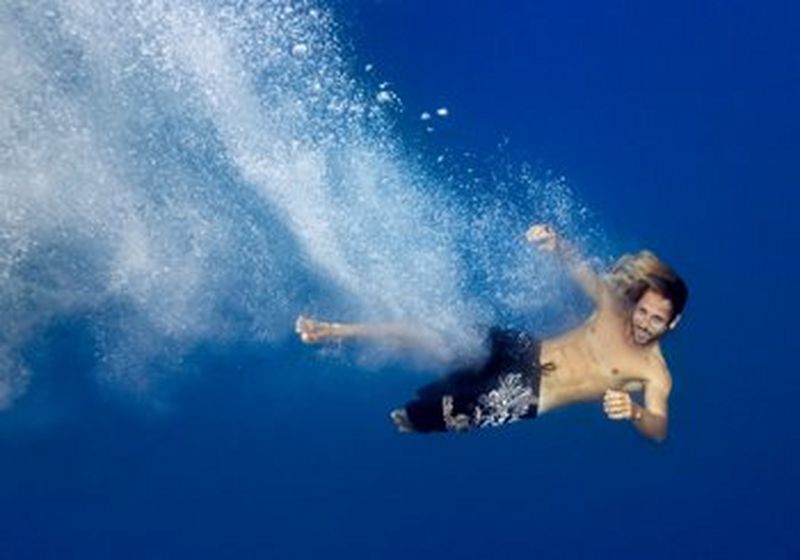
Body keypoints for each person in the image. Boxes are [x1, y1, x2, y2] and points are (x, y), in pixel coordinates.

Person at [295, 224, 688, 442]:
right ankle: (334, 330)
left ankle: (420, 413)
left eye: (656, 321)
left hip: (528, 397)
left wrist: (634, 411)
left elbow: (658, 427)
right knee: (437, 336)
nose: (643, 324)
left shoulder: (654, 372)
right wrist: (556, 244)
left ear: (672, 325)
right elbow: (580, 268)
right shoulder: (613, 309)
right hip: (521, 350)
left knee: (413, 417)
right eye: (644, 313)